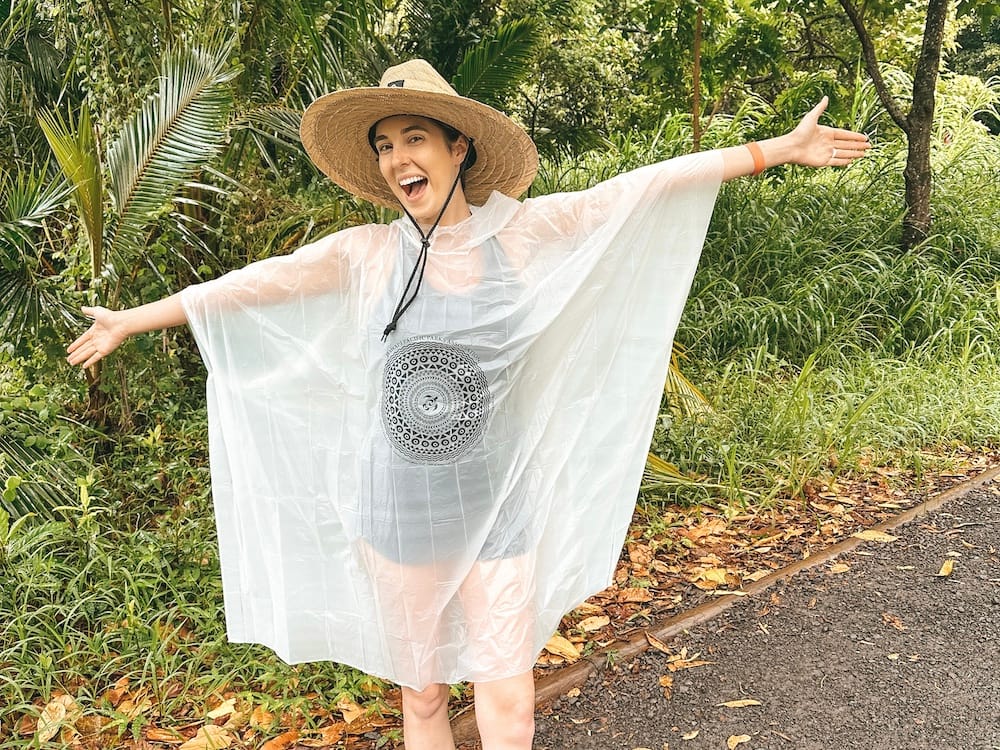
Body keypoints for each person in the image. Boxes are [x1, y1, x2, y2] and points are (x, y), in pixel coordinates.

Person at [67, 59, 870, 749]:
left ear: (458, 147)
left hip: (498, 501)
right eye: (384, 146)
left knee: (507, 694)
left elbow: (641, 188)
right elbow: (250, 287)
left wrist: (776, 151)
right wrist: (133, 320)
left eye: (412, 138)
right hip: (399, 507)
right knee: (420, 695)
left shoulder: (521, 235)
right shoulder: (368, 253)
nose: (396, 159)